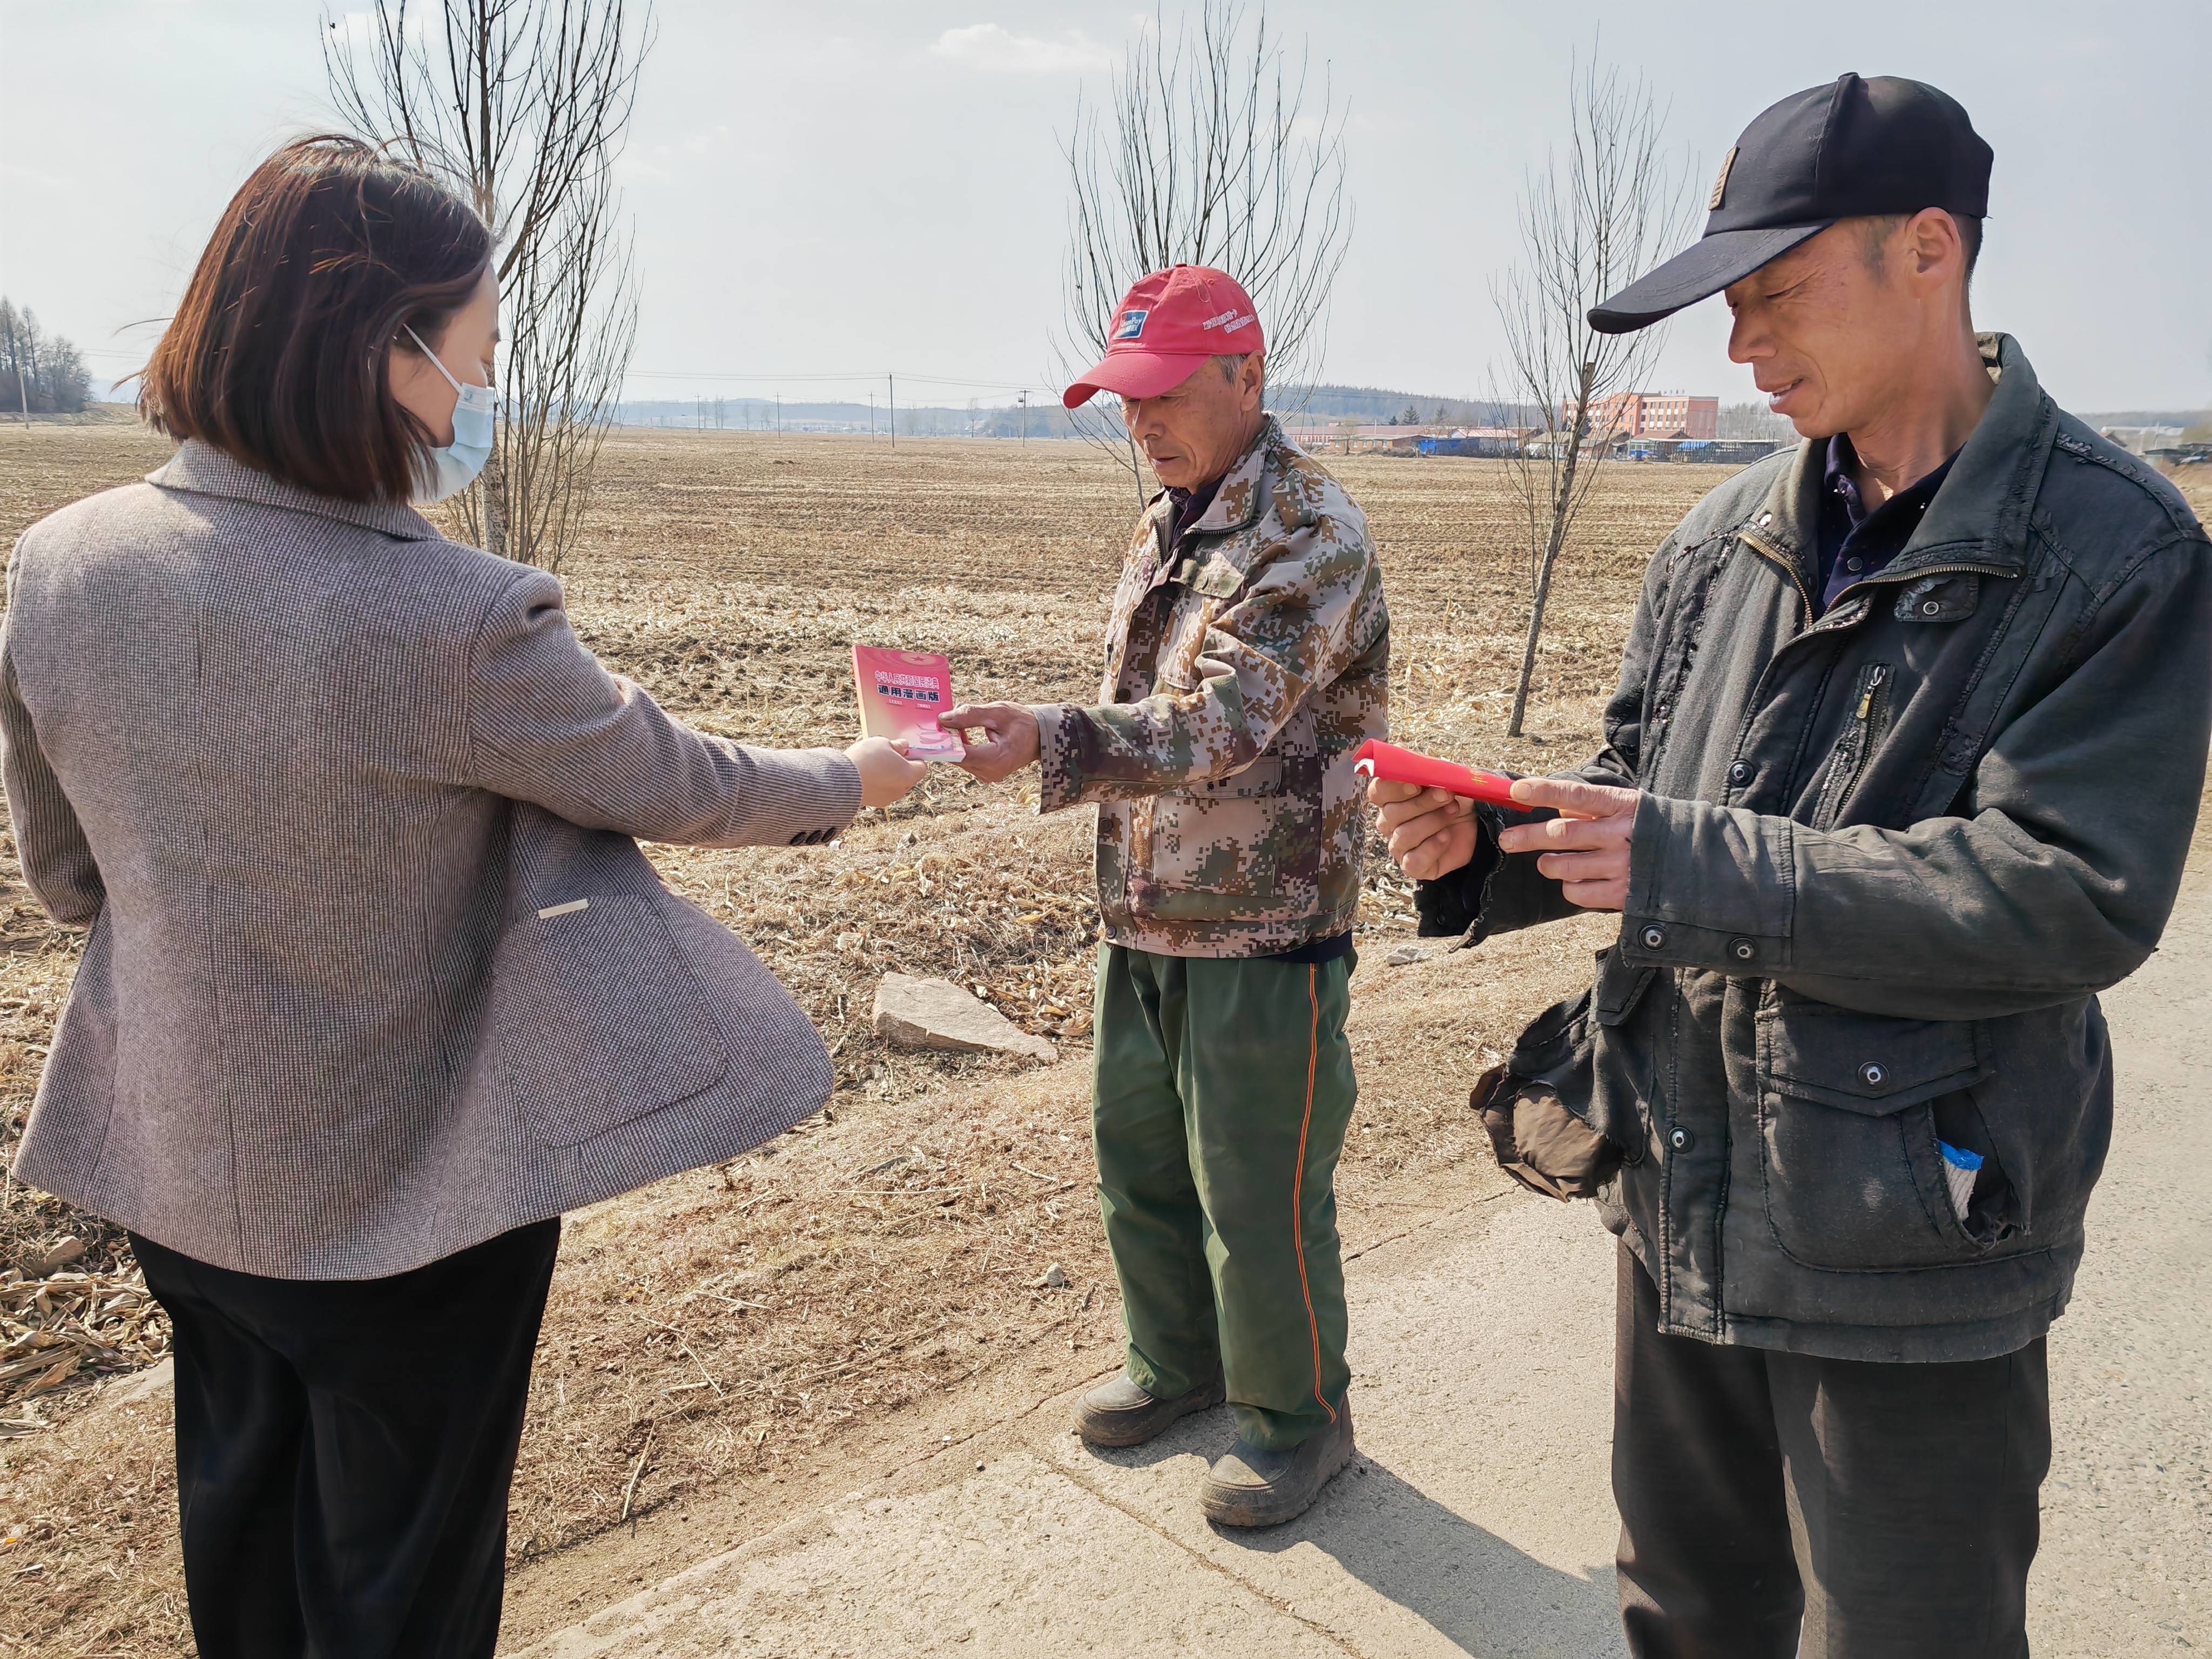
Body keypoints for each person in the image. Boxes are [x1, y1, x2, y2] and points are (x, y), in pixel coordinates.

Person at [0, 136, 926, 1657]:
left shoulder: (61, 565)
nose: (485, 386)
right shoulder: (447, 618)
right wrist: (861, 775)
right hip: (406, 1207)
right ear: (389, 353)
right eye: (478, 348)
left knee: (243, 1553)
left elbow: (62, 878)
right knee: (401, 1600)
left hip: (175, 1173)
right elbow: (677, 782)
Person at [1369, 75, 2211, 1657]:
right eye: (1729, 307)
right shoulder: (1723, 537)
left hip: (1910, 1235)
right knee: (1687, 1615)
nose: (1742, 347)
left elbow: (2066, 894)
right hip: (1679, 1184)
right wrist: (1499, 849)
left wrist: (1685, 860)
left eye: (1775, 293)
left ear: (1929, 250)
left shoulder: (2114, 552)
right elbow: (1648, 786)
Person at [942, 265, 1389, 1527]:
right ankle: (1178, 1366)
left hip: (1264, 923)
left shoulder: (1307, 531)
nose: (1139, 421)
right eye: (1125, 399)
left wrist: (1050, 738)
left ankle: (1298, 1423)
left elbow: (1220, 722)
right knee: (1138, 1161)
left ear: (1247, 377)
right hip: (1145, 908)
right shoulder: (1169, 521)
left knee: (1255, 1192)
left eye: (1163, 394)